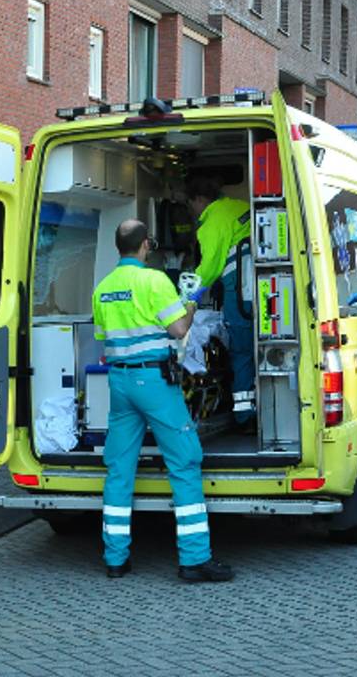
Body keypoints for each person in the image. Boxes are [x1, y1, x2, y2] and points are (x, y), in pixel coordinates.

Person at [92, 219, 234, 583]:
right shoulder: (154, 281)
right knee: (185, 460)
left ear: (119, 246)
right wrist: (191, 301)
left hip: (119, 383)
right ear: (145, 245)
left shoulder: (103, 288)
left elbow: (103, 336)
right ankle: (194, 559)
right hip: (153, 382)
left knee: (119, 468)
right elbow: (180, 329)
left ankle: (115, 559)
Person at [187, 174, 255, 426]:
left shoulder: (212, 222)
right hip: (262, 290)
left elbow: (210, 268)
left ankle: (245, 416)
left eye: (191, 204)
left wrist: (188, 297)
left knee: (241, 351)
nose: (192, 211)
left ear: (199, 199)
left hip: (240, 291)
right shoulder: (239, 207)